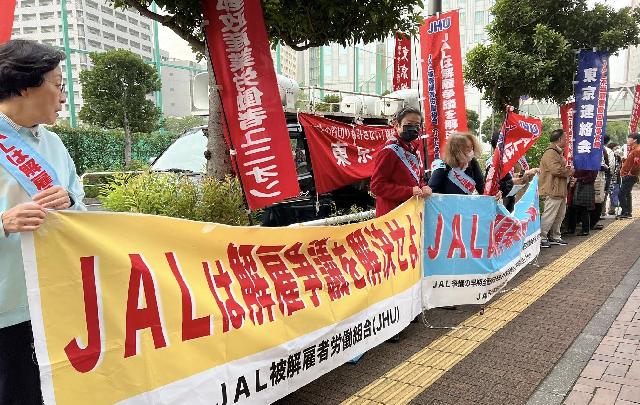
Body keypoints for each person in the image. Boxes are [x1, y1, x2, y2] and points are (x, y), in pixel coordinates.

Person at [0, 39, 86, 404]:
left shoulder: (54, 144)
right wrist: (4, 222)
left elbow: (80, 205)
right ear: (24, 86)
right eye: (57, 85)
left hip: (53, 299)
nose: (63, 97)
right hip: (6, 308)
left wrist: (70, 200)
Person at [371, 106, 432, 217]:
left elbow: (417, 179)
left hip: (410, 212)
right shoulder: (389, 151)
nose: (413, 129)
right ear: (397, 125)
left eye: (417, 125)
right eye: (408, 124)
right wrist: (409, 191)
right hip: (392, 215)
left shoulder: (413, 148)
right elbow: (377, 186)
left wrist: (423, 186)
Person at [485, 132, 539, 212]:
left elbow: (516, 174)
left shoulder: (511, 158)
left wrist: (527, 173)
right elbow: (495, 183)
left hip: (512, 195)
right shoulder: (493, 163)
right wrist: (525, 174)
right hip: (500, 197)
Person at [539, 129, 574, 248]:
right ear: (559, 139)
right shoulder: (550, 153)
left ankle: (555, 236)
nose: (567, 141)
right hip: (553, 189)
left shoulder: (557, 153)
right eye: (565, 138)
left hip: (559, 189)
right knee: (549, 215)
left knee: (559, 215)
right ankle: (542, 237)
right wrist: (570, 172)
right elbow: (556, 170)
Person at [566, 169, 598, 236]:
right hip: (576, 186)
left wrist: (578, 179)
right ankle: (571, 228)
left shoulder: (592, 165)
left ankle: (585, 230)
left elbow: (591, 177)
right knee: (572, 207)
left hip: (585, 187)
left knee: (584, 208)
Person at [618, 132, 640, 219]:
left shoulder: (637, 150)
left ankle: (625, 212)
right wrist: (624, 160)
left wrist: (631, 173)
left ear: (634, 140)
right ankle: (627, 212)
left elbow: (637, 164)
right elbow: (632, 162)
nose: (627, 140)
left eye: (629, 139)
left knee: (621, 194)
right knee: (626, 193)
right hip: (628, 175)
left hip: (630, 176)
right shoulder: (634, 149)